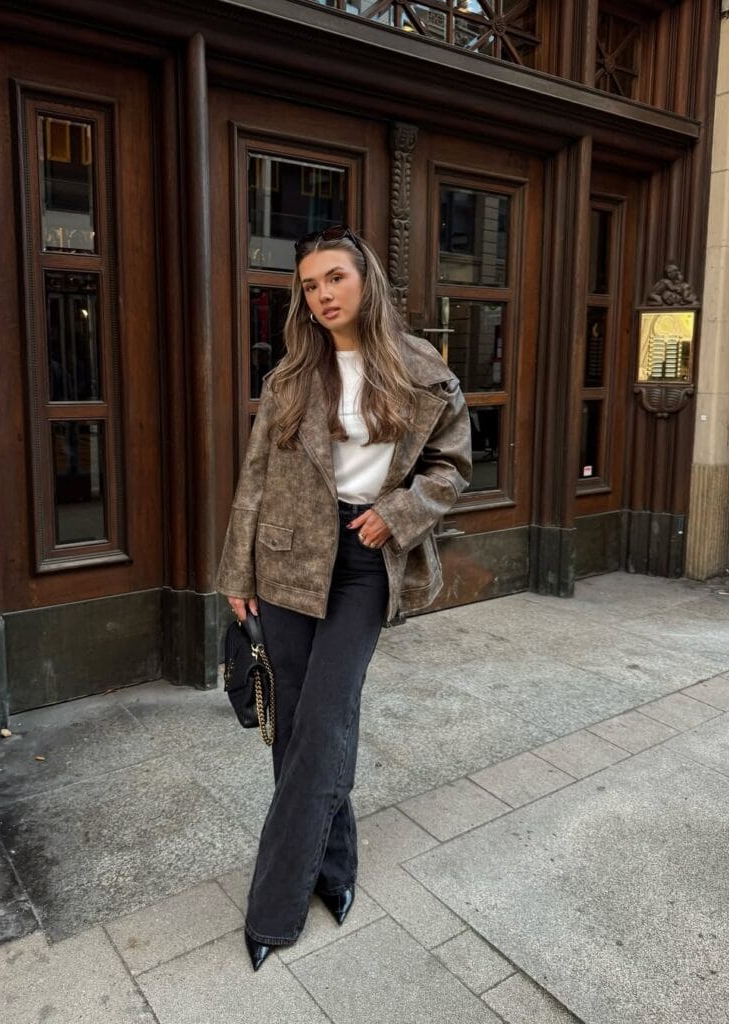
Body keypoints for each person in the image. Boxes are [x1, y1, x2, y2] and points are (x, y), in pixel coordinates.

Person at [216, 225, 472, 971]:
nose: (323, 295)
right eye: (309, 285)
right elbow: (254, 482)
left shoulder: (425, 371)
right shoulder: (291, 376)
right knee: (297, 724)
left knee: (325, 718)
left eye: (335, 278)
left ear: (365, 281)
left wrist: (396, 514)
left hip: (364, 558)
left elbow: (451, 469)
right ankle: (336, 869)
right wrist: (236, 575)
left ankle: (274, 908)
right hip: (287, 557)